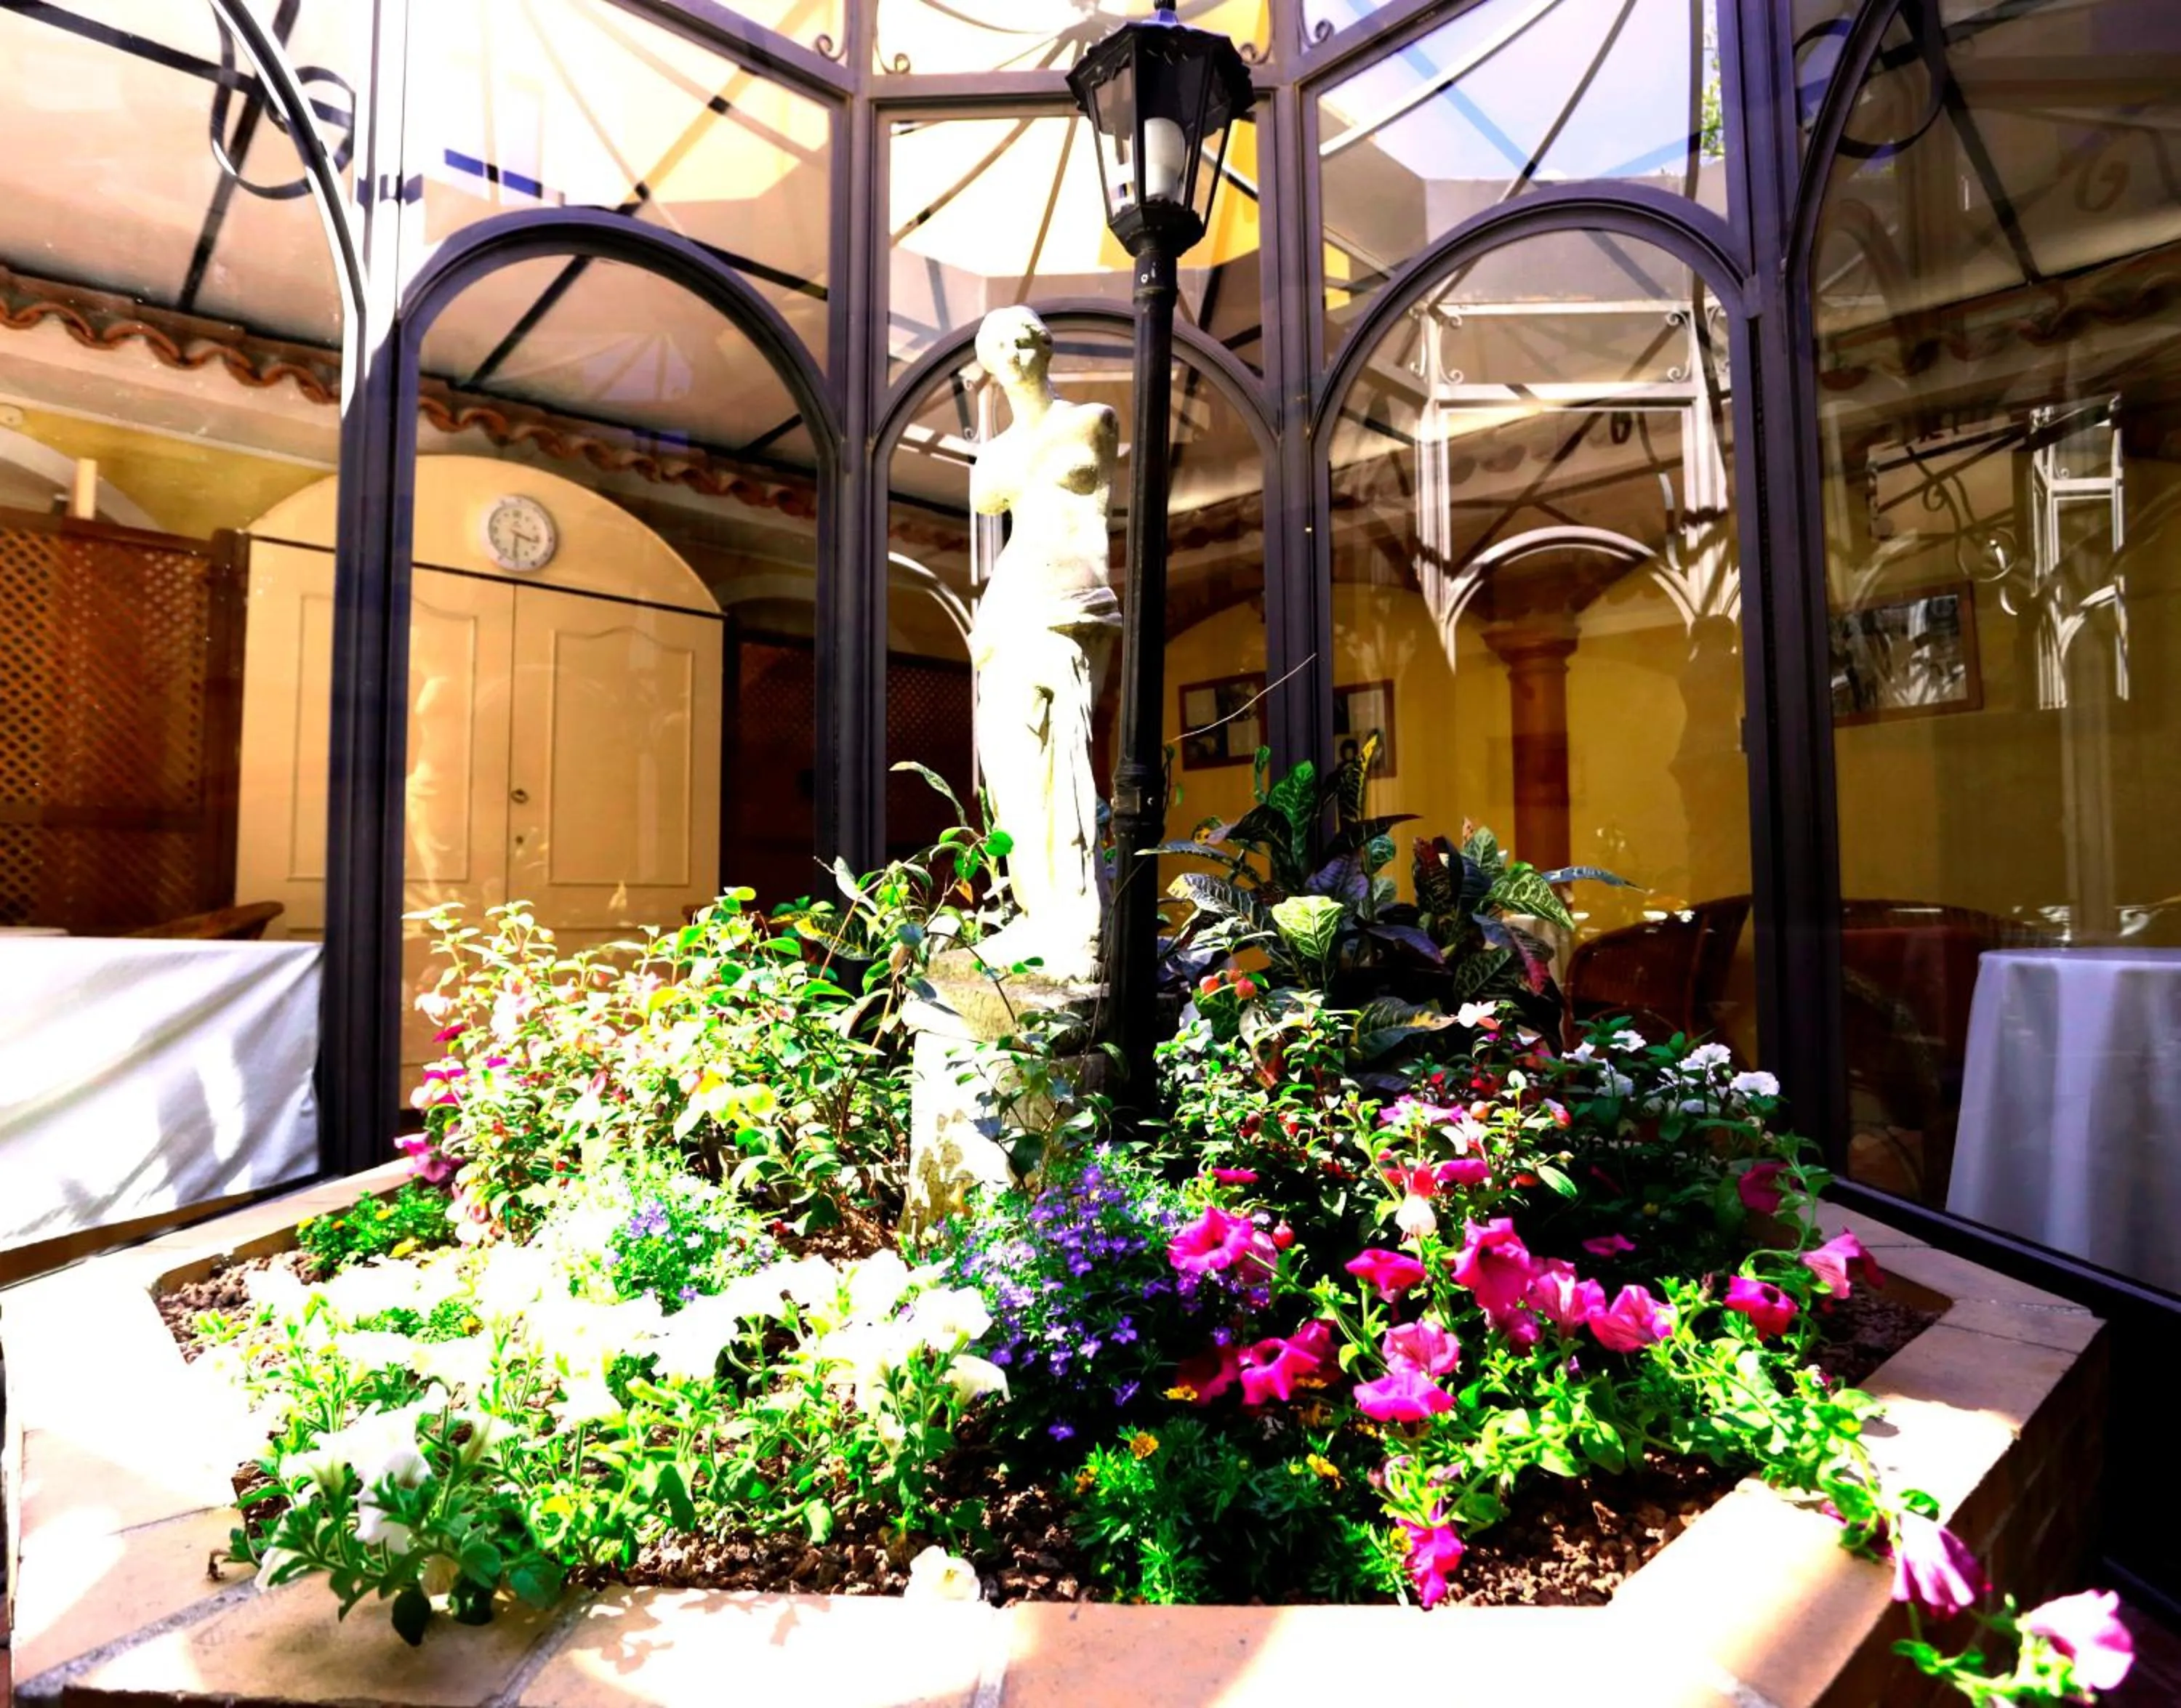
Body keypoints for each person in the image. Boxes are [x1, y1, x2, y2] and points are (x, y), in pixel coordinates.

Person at [965, 306, 1123, 984]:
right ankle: (1036, 914)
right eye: (1002, 342)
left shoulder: (1090, 420)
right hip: (1010, 607)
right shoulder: (993, 454)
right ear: (990, 364)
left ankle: (1080, 925)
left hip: (1075, 605)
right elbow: (988, 501)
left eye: (1027, 337)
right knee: (1011, 769)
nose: (1017, 349)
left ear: (1046, 347)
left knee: (1067, 764)